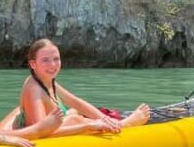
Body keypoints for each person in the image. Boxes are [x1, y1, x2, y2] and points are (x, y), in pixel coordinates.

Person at [16, 38, 150, 135]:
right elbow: (42, 132)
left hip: (55, 126)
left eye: (56, 59)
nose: (53, 65)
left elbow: (76, 102)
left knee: (75, 110)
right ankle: (126, 124)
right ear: (33, 64)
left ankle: (113, 124)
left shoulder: (47, 80)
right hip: (45, 138)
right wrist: (88, 125)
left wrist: (103, 119)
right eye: (45, 60)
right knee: (75, 118)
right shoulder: (34, 90)